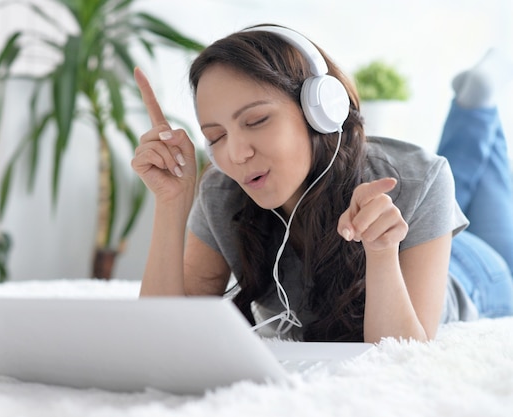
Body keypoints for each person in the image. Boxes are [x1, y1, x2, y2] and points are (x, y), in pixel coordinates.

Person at [131, 23, 513, 343]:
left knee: (459, 182)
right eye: (215, 137)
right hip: (428, 212)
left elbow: (400, 356)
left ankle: (477, 106)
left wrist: (381, 254)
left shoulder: (416, 177)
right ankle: (476, 106)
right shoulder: (221, 193)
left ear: (320, 109)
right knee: (464, 177)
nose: (235, 154)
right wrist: (171, 203)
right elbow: (166, 336)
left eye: (256, 120)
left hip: (476, 273)